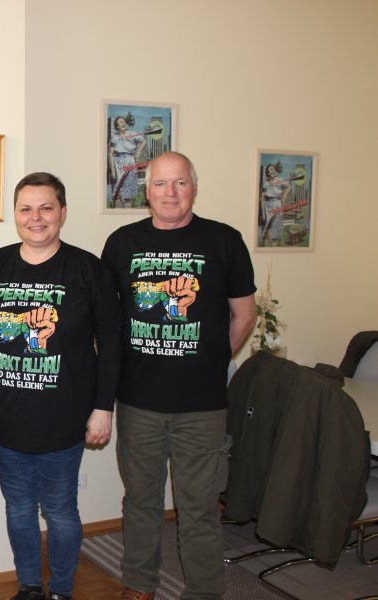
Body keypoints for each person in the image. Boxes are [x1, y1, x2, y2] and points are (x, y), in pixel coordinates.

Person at [101, 151, 257, 600]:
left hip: (202, 406)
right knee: (140, 502)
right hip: (138, 402)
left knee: (199, 509)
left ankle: (204, 592)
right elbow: (106, 320)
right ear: (147, 193)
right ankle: (139, 585)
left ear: (194, 188)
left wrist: (211, 358)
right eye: (161, 184)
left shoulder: (224, 241)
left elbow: (244, 315)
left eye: (180, 183)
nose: (171, 193)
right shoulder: (121, 243)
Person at [0, 172, 121, 600]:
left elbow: (111, 342)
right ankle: (30, 586)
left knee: (60, 510)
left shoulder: (88, 269)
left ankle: (62, 590)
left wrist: (103, 407)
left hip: (64, 421)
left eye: (46, 208)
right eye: (26, 209)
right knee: (18, 508)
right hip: (6, 419)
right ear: (14, 214)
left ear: (62, 212)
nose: (36, 218)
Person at [108, 114, 148, 208]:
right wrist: (113, 171)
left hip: (130, 163)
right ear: (117, 126)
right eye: (121, 122)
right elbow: (110, 154)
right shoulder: (114, 138)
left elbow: (144, 141)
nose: (123, 123)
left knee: (128, 194)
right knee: (117, 192)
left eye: (124, 121)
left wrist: (137, 151)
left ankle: (127, 211)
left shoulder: (132, 134)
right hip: (118, 163)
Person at [259, 161, 290, 246]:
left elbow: (288, 187)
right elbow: (262, 198)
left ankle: (274, 248)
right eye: (270, 170)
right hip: (268, 205)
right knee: (266, 232)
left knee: (275, 233)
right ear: (268, 173)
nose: (272, 171)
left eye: (273, 169)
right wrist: (263, 213)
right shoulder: (266, 183)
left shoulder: (281, 180)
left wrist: (284, 196)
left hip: (277, 205)